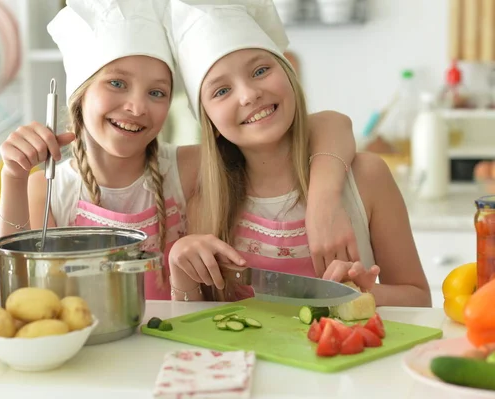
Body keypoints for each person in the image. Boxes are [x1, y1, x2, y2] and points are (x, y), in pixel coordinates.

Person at [0, 0, 360, 300]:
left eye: (157, 92)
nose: (137, 106)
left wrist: (324, 201)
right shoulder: (49, 187)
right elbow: (13, 297)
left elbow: (329, 124)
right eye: (118, 83)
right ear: (80, 92)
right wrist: (13, 177)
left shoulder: (189, 168)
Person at [165, 0, 431, 307]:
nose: (249, 94)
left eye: (261, 70)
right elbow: (197, 324)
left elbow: (419, 299)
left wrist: (364, 295)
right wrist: (181, 273)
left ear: (290, 74)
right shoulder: (205, 200)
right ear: (208, 120)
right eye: (221, 91)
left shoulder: (368, 178)